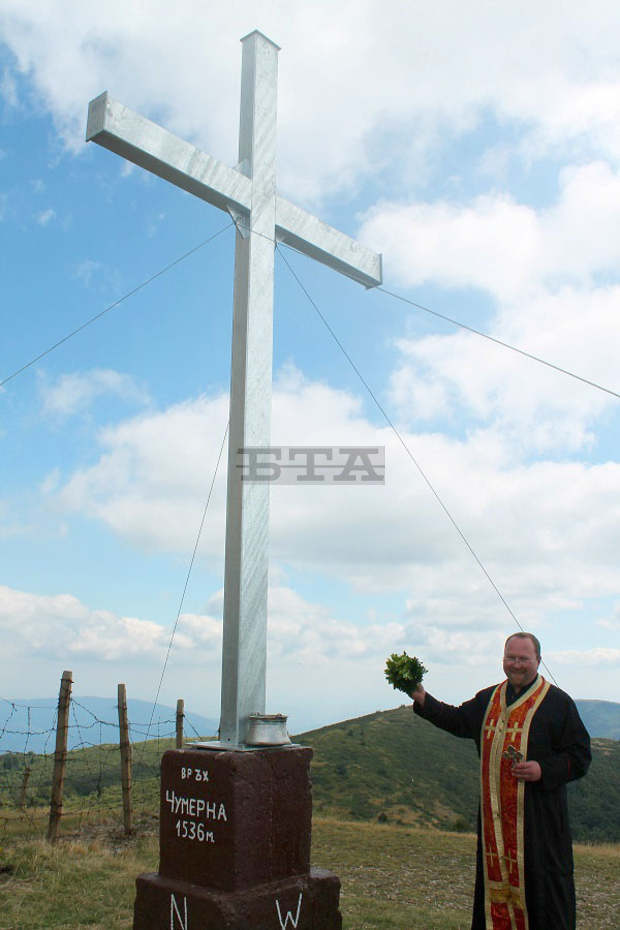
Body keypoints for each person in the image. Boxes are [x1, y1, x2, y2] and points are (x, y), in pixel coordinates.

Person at [409, 632, 591, 930]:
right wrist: (423, 700)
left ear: (538, 661)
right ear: (503, 659)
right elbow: (458, 720)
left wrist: (543, 770)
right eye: (511, 657)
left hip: (540, 824)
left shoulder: (558, 704)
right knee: (494, 895)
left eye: (523, 658)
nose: (516, 664)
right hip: (495, 826)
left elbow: (581, 756)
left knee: (544, 897)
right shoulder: (488, 699)